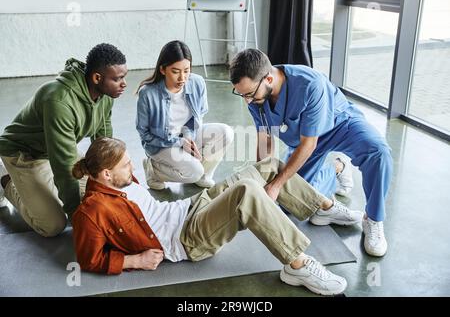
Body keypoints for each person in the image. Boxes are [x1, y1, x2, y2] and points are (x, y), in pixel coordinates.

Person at [71, 137, 363, 296]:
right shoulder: (92, 212)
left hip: (188, 207)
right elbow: (89, 258)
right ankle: (297, 264)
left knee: (269, 166)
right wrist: (135, 261)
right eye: (126, 165)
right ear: (106, 174)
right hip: (187, 238)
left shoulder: (118, 179)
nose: (132, 167)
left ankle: (322, 208)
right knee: (246, 192)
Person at [229, 49, 393, 257]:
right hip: (304, 143)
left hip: (339, 126)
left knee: (379, 152)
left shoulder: (309, 84)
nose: (247, 101)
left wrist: (277, 184)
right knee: (292, 202)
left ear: (268, 78)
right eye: (241, 94)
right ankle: (336, 169)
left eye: (249, 94)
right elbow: (265, 140)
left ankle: (373, 219)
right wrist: (264, 181)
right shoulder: (256, 97)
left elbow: (309, 144)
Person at [0, 43, 128, 237]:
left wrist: (117, 179)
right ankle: (5, 179)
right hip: (24, 154)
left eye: (124, 77)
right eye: (118, 78)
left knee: (96, 195)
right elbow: (64, 165)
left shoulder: (106, 95)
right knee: (54, 225)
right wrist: (78, 219)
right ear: (97, 78)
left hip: (58, 147)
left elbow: (103, 142)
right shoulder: (59, 100)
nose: (124, 84)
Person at [136, 40, 233, 190]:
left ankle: (203, 176)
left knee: (225, 132)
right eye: (175, 71)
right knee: (193, 171)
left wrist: (187, 136)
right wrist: (179, 143)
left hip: (188, 136)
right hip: (161, 144)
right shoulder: (148, 93)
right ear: (162, 69)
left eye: (186, 70)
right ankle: (153, 170)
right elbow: (145, 134)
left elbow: (199, 114)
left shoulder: (197, 82)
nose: (182, 78)